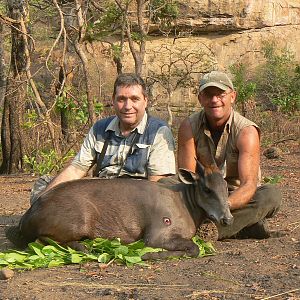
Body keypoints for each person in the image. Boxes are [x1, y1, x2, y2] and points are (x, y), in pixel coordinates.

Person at [30, 73, 176, 203]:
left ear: (145, 101)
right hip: (100, 196)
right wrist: (45, 198)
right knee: (44, 186)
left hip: (137, 202)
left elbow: (157, 188)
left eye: (134, 99)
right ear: (113, 100)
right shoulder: (100, 128)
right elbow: (76, 170)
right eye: (121, 99)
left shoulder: (158, 132)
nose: (127, 106)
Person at [177, 70, 282, 240]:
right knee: (167, 185)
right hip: (203, 196)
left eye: (220, 94)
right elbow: (188, 178)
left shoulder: (246, 131)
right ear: (200, 99)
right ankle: (246, 226)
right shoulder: (188, 127)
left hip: (235, 199)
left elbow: (248, 184)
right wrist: (210, 202)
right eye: (208, 95)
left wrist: (223, 206)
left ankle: (211, 231)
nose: (214, 100)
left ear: (232, 96)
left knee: (271, 195)